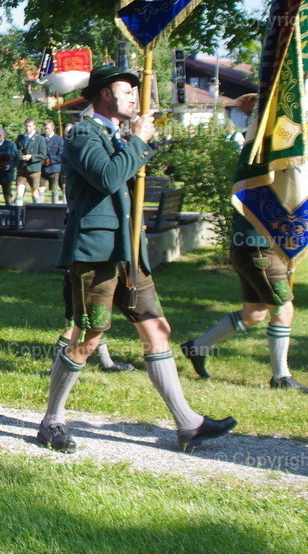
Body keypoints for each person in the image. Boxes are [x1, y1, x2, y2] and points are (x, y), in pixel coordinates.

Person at [37, 64, 236, 453]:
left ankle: (187, 423)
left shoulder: (114, 134)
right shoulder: (80, 133)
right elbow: (108, 178)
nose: (135, 97)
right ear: (105, 94)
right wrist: (140, 141)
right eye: (128, 90)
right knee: (90, 336)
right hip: (97, 254)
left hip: (129, 251)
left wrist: (135, 142)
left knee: (157, 329)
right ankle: (52, 420)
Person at [182, 106, 307, 392]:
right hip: (259, 246)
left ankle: (197, 348)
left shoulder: (264, 153)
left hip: (254, 247)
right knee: (283, 310)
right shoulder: (264, 156)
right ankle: (281, 377)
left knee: (254, 313)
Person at [14, 118, 47, 205]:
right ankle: (18, 213)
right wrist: (20, 156)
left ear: (34, 126)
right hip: (22, 168)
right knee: (19, 191)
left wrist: (31, 157)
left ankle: (38, 213)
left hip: (34, 169)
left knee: (34, 192)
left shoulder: (40, 138)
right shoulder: (20, 137)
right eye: (26, 126)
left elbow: (43, 155)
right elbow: (16, 151)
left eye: (30, 126)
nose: (28, 128)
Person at [40, 119, 66, 204]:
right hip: (42, 168)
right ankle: (39, 207)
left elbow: (60, 156)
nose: (46, 130)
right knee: (40, 189)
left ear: (53, 127)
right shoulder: (40, 138)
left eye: (48, 128)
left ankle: (54, 207)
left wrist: (49, 159)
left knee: (54, 190)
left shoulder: (59, 139)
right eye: (44, 128)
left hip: (54, 169)